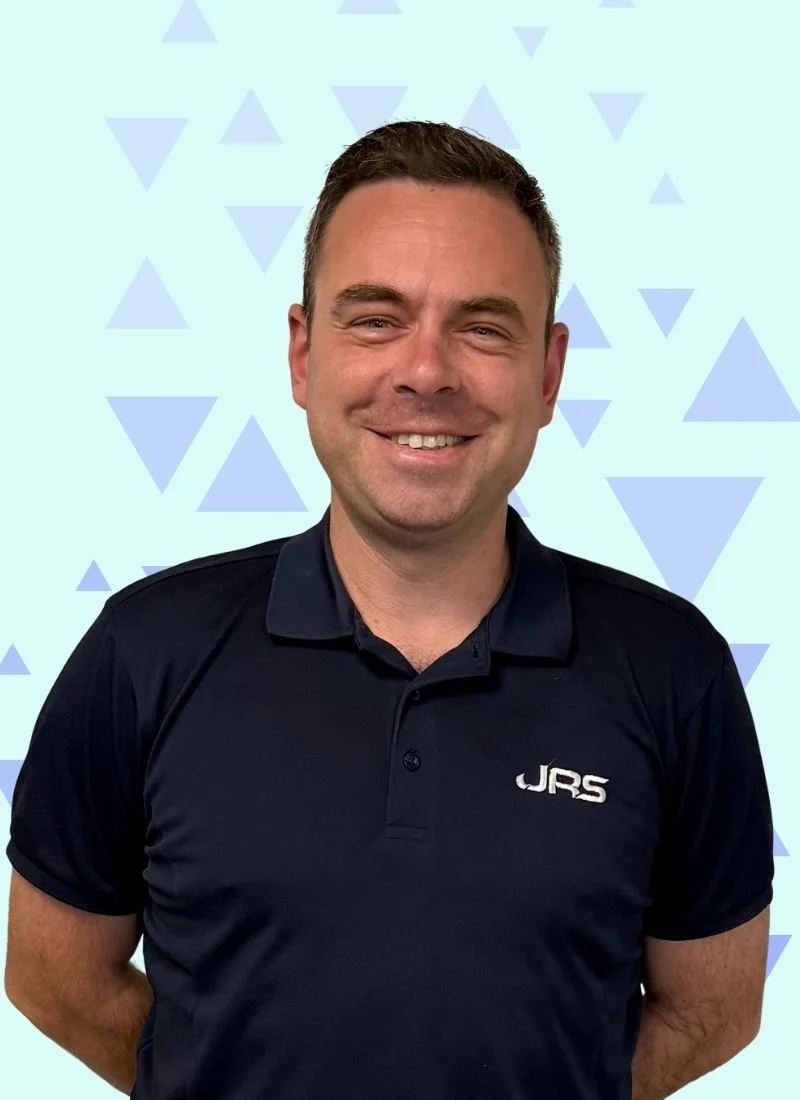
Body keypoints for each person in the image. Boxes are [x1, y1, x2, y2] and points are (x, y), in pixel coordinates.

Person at [4, 121, 773, 1100]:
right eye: (375, 318)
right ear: (301, 352)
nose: (426, 371)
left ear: (546, 373)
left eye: (482, 326)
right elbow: (51, 974)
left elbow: (712, 1007)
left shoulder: (672, 670)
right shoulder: (144, 651)